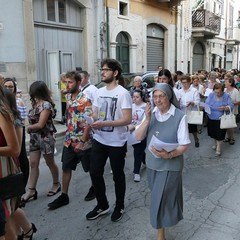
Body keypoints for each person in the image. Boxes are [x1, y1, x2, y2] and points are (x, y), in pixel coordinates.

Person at [135, 83, 190, 240]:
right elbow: (138, 137)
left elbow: (184, 144)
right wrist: (146, 120)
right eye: (155, 97)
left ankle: (160, 234)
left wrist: (170, 154)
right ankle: (163, 226)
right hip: (153, 164)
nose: (158, 100)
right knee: (157, 197)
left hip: (170, 165)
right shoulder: (151, 113)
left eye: (161, 96)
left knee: (160, 198)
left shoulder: (180, 116)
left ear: (169, 97)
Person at [86, 58, 132, 222]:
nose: (102, 72)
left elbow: (127, 119)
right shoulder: (99, 92)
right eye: (102, 69)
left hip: (117, 142)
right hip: (99, 139)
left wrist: (105, 123)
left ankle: (119, 205)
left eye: (105, 69)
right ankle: (102, 204)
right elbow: (96, 113)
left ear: (115, 73)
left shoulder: (123, 93)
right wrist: (91, 120)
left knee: (117, 175)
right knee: (95, 172)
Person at [48, 71, 93, 209]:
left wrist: (83, 141)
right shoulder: (68, 97)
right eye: (65, 82)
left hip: (83, 141)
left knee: (91, 169)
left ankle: (95, 187)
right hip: (69, 140)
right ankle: (64, 195)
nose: (67, 85)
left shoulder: (85, 100)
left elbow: (89, 122)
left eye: (70, 82)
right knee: (66, 167)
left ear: (78, 83)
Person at [3, 89, 37, 240]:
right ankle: (27, 229)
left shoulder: (10, 117)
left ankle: (26, 230)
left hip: (8, 167)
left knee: (9, 211)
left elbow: (16, 149)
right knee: (10, 211)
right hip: (7, 166)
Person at [22, 81, 60, 203]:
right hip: (35, 138)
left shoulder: (46, 105)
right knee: (33, 163)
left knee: (50, 162)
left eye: (34, 92)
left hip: (45, 137)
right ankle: (31, 190)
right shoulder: (35, 104)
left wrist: (29, 128)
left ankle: (56, 184)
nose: (33, 95)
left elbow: (41, 124)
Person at [2, 78, 29, 187]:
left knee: (21, 156)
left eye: (10, 86)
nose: (8, 88)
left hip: (17, 128)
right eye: (6, 86)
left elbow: (21, 120)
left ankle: (22, 188)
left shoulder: (18, 101)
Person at [79, 70, 98, 201]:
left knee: (90, 161)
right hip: (79, 129)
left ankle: (95, 186)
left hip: (89, 128)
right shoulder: (79, 90)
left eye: (80, 78)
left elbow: (95, 109)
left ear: (86, 77)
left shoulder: (92, 90)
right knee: (85, 161)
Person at [205, 83, 234, 156]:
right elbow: (206, 103)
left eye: (219, 92)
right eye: (216, 92)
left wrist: (225, 108)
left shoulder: (226, 95)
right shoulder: (211, 95)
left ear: (223, 91)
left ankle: (218, 148)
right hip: (211, 116)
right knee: (213, 133)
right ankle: (215, 143)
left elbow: (231, 105)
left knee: (220, 133)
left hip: (221, 118)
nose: (217, 93)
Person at [128, 89, 146, 182]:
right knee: (139, 151)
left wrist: (135, 126)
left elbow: (146, 121)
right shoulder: (130, 106)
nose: (134, 98)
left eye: (137, 97)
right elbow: (126, 118)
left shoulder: (146, 106)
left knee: (137, 151)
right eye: (133, 97)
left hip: (142, 132)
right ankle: (145, 160)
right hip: (131, 133)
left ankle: (136, 172)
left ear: (141, 97)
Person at [179, 75, 200, 147]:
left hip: (191, 112)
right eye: (183, 83)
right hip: (182, 112)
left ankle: (196, 139)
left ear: (189, 82)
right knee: (183, 128)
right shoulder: (180, 91)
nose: (184, 84)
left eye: (185, 82)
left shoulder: (194, 91)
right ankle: (183, 142)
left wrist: (192, 103)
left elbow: (197, 101)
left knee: (193, 129)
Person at [223, 77, 240, 145]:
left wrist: (231, 104)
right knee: (226, 124)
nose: (225, 83)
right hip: (225, 110)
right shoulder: (224, 90)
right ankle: (228, 137)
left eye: (226, 82)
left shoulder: (235, 91)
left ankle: (232, 138)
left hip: (233, 110)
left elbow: (238, 101)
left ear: (230, 83)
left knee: (231, 125)